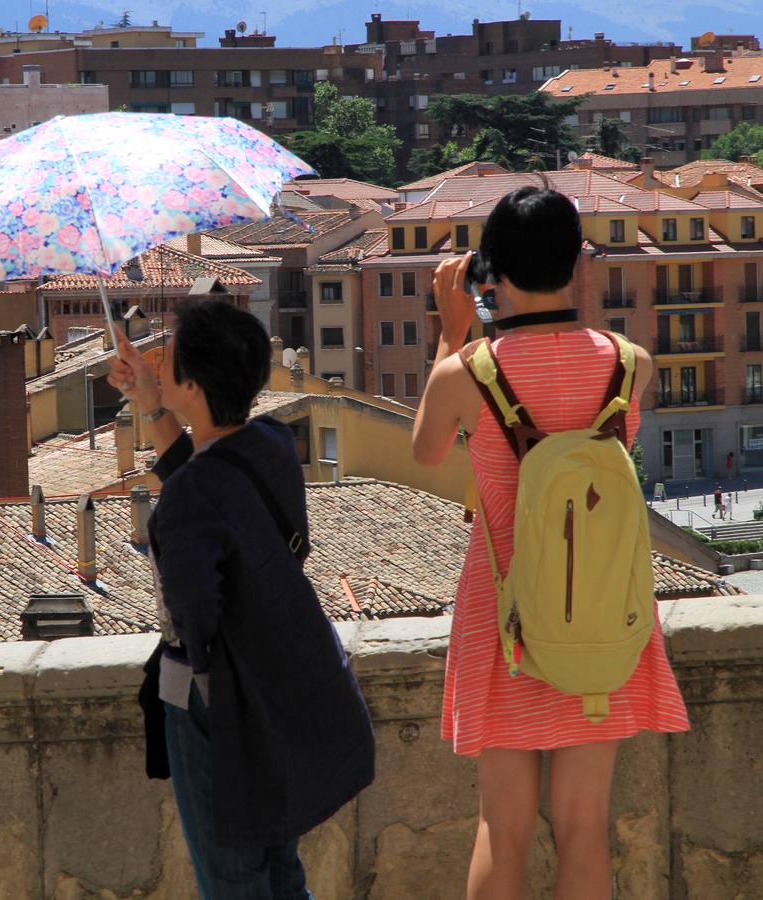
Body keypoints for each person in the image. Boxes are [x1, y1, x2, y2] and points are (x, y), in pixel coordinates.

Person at [411, 186, 689, 900]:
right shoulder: (633, 365)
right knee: (583, 827)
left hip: (502, 611)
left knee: (499, 829)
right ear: (577, 264)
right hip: (599, 611)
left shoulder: (465, 372)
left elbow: (425, 450)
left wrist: (454, 334)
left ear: (489, 273)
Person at [110, 299, 375, 900]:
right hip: (273, 688)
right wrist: (151, 402)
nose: (157, 357)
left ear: (196, 385)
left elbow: (194, 614)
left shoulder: (188, 501)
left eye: (168, 354)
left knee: (235, 881)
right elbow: (211, 479)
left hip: (214, 708)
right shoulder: (272, 446)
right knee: (280, 871)